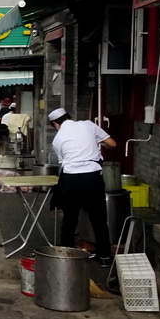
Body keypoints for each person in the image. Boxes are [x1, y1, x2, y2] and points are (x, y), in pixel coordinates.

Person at [49, 107, 117, 267]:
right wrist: (101, 143)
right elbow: (113, 143)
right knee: (99, 219)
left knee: (69, 219)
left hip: (71, 179)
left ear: (55, 124)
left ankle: (66, 258)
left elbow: (64, 162)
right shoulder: (88, 125)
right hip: (92, 178)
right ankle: (105, 257)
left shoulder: (57, 139)